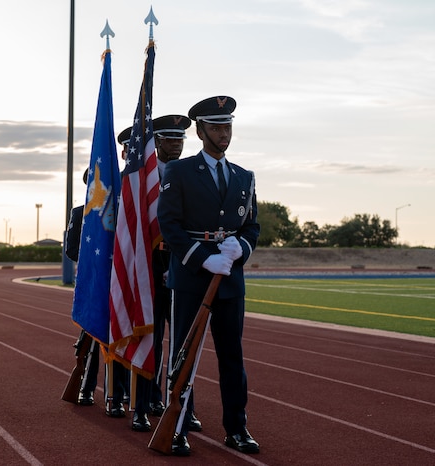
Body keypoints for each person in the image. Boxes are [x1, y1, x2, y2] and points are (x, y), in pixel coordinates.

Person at [157, 96, 260, 456]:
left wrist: (240, 249)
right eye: (216, 127)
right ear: (200, 131)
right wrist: (203, 258)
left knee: (232, 356)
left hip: (230, 279)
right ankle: (179, 426)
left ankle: (237, 428)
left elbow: (251, 225)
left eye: (227, 126)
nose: (223, 134)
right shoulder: (180, 172)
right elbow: (169, 225)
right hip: (190, 277)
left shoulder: (244, 177)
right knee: (184, 355)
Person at [130, 114, 195, 433]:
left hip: (183, 263)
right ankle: (141, 406)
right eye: (170, 139)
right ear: (156, 142)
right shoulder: (145, 177)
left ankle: (184, 406)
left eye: (180, 139)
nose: (176, 144)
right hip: (152, 262)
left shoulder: (191, 175)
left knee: (184, 341)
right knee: (150, 338)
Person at [65, 167, 129, 417]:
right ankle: (86, 387)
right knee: (90, 341)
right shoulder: (80, 213)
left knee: (122, 337)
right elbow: (71, 249)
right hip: (95, 284)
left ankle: (119, 392)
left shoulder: (122, 212)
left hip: (120, 284)